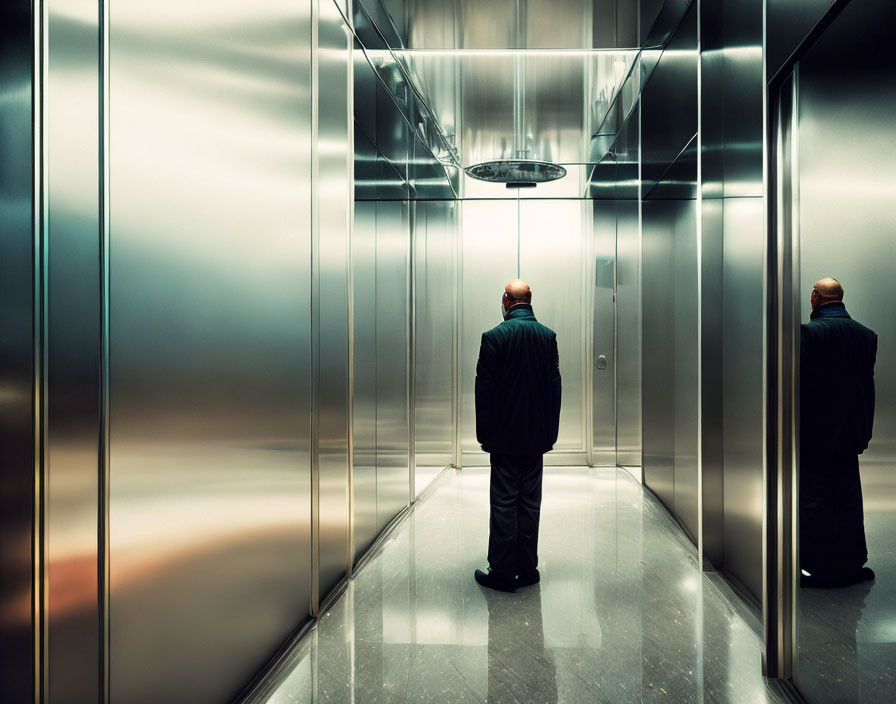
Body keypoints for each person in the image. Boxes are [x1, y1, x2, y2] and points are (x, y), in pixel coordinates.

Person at [473, 279, 562, 592]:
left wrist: (484, 435)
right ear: (530, 299)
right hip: (536, 438)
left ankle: (501, 570)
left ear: (505, 301)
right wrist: (550, 433)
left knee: (504, 502)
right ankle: (527, 568)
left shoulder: (494, 337)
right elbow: (554, 388)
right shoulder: (547, 337)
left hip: (503, 437)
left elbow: (483, 392)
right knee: (530, 503)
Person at [800, 277, 877, 588]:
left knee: (814, 499)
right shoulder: (866, 335)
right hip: (852, 433)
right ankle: (850, 564)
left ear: (816, 297)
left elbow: (804, 389)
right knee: (847, 499)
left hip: (816, 435)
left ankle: (815, 566)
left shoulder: (809, 333)